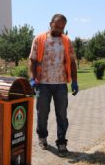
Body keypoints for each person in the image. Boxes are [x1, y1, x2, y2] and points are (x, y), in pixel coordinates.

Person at [29, 14, 78, 157]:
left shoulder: (67, 41)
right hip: (42, 84)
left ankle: (61, 142)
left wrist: (74, 81)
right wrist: (32, 79)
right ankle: (42, 136)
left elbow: (72, 62)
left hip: (61, 84)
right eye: (57, 27)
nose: (59, 30)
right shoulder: (39, 39)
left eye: (62, 28)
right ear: (50, 23)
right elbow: (32, 60)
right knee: (42, 113)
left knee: (62, 115)